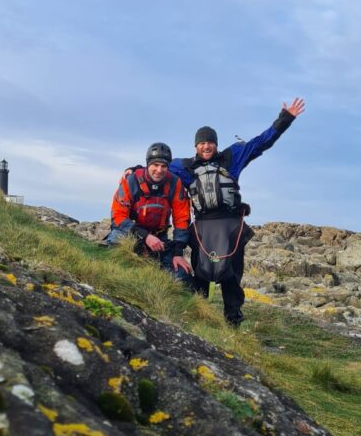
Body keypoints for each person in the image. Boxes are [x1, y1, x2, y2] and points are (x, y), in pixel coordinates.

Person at [169, 98, 305, 327]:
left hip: (231, 226)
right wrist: (135, 170)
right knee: (201, 274)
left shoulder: (232, 157)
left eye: (210, 142)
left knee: (231, 276)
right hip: (202, 227)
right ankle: (198, 319)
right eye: (202, 143)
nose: (206, 146)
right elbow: (157, 165)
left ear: (216, 144)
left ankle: (233, 322)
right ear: (195, 146)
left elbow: (261, 142)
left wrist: (285, 119)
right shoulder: (183, 167)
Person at [105, 142, 192, 285]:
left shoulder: (175, 184)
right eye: (155, 165)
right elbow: (118, 217)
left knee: (181, 277)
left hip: (159, 240)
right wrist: (145, 237)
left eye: (164, 166)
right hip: (131, 233)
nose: (159, 170)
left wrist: (178, 253)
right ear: (147, 164)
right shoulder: (131, 181)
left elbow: (182, 218)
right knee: (116, 247)